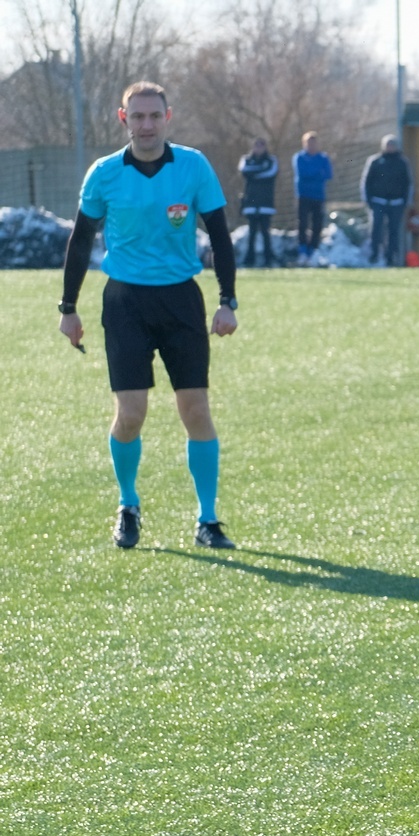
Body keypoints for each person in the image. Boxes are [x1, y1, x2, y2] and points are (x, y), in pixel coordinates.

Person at [56, 81, 240, 550]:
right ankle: (128, 504)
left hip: (181, 301)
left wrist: (227, 300)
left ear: (167, 117)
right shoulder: (104, 173)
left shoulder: (193, 166)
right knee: (131, 414)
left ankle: (208, 519)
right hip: (126, 304)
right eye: (137, 116)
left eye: (154, 115)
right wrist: (68, 308)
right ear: (124, 119)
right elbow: (80, 240)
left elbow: (220, 236)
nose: (146, 125)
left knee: (195, 410)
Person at [361, 135, 413, 266]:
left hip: (396, 203)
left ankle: (391, 256)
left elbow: (408, 183)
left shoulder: (402, 162)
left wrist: (406, 201)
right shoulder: (375, 161)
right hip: (378, 201)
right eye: (388, 145)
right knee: (376, 228)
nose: (390, 147)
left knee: (393, 230)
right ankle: (374, 254)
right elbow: (366, 182)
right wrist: (368, 200)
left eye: (392, 145)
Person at [292, 130, 332, 262]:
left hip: (318, 196)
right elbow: (303, 174)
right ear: (304, 144)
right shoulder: (299, 157)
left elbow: (328, 174)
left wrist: (314, 173)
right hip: (303, 195)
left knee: (317, 224)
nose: (311, 146)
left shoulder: (323, 158)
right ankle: (302, 249)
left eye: (314, 143)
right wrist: (317, 172)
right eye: (309, 143)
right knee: (302, 223)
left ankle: (313, 249)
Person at [237, 136, 277, 268]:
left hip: (266, 202)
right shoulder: (246, 159)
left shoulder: (271, 160)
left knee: (266, 232)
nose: (259, 148)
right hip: (251, 202)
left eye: (261, 146)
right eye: (256, 146)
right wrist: (260, 170)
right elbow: (244, 171)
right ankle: (250, 260)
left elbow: (270, 173)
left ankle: (268, 259)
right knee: (252, 232)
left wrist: (254, 174)